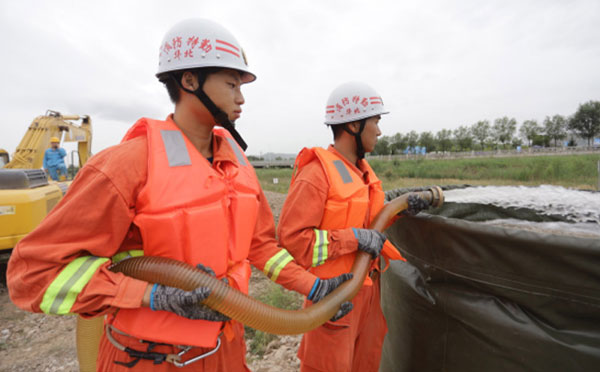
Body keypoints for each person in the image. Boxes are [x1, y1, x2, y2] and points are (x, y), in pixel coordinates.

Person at [7, 19, 351, 371]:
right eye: (232, 84)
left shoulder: (237, 166)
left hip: (224, 351)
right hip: (147, 358)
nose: (241, 97)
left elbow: (261, 247)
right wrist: (151, 295)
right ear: (189, 81)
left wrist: (314, 287)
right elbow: (34, 273)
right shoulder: (126, 165)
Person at [277, 81, 407, 372]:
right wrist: (354, 240)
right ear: (354, 126)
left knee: (366, 363)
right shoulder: (317, 173)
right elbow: (293, 241)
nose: (380, 130)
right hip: (333, 298)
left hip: (368, 294)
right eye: (376, 121)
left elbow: (372, 220)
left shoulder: (363, 172)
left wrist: (405, 209)